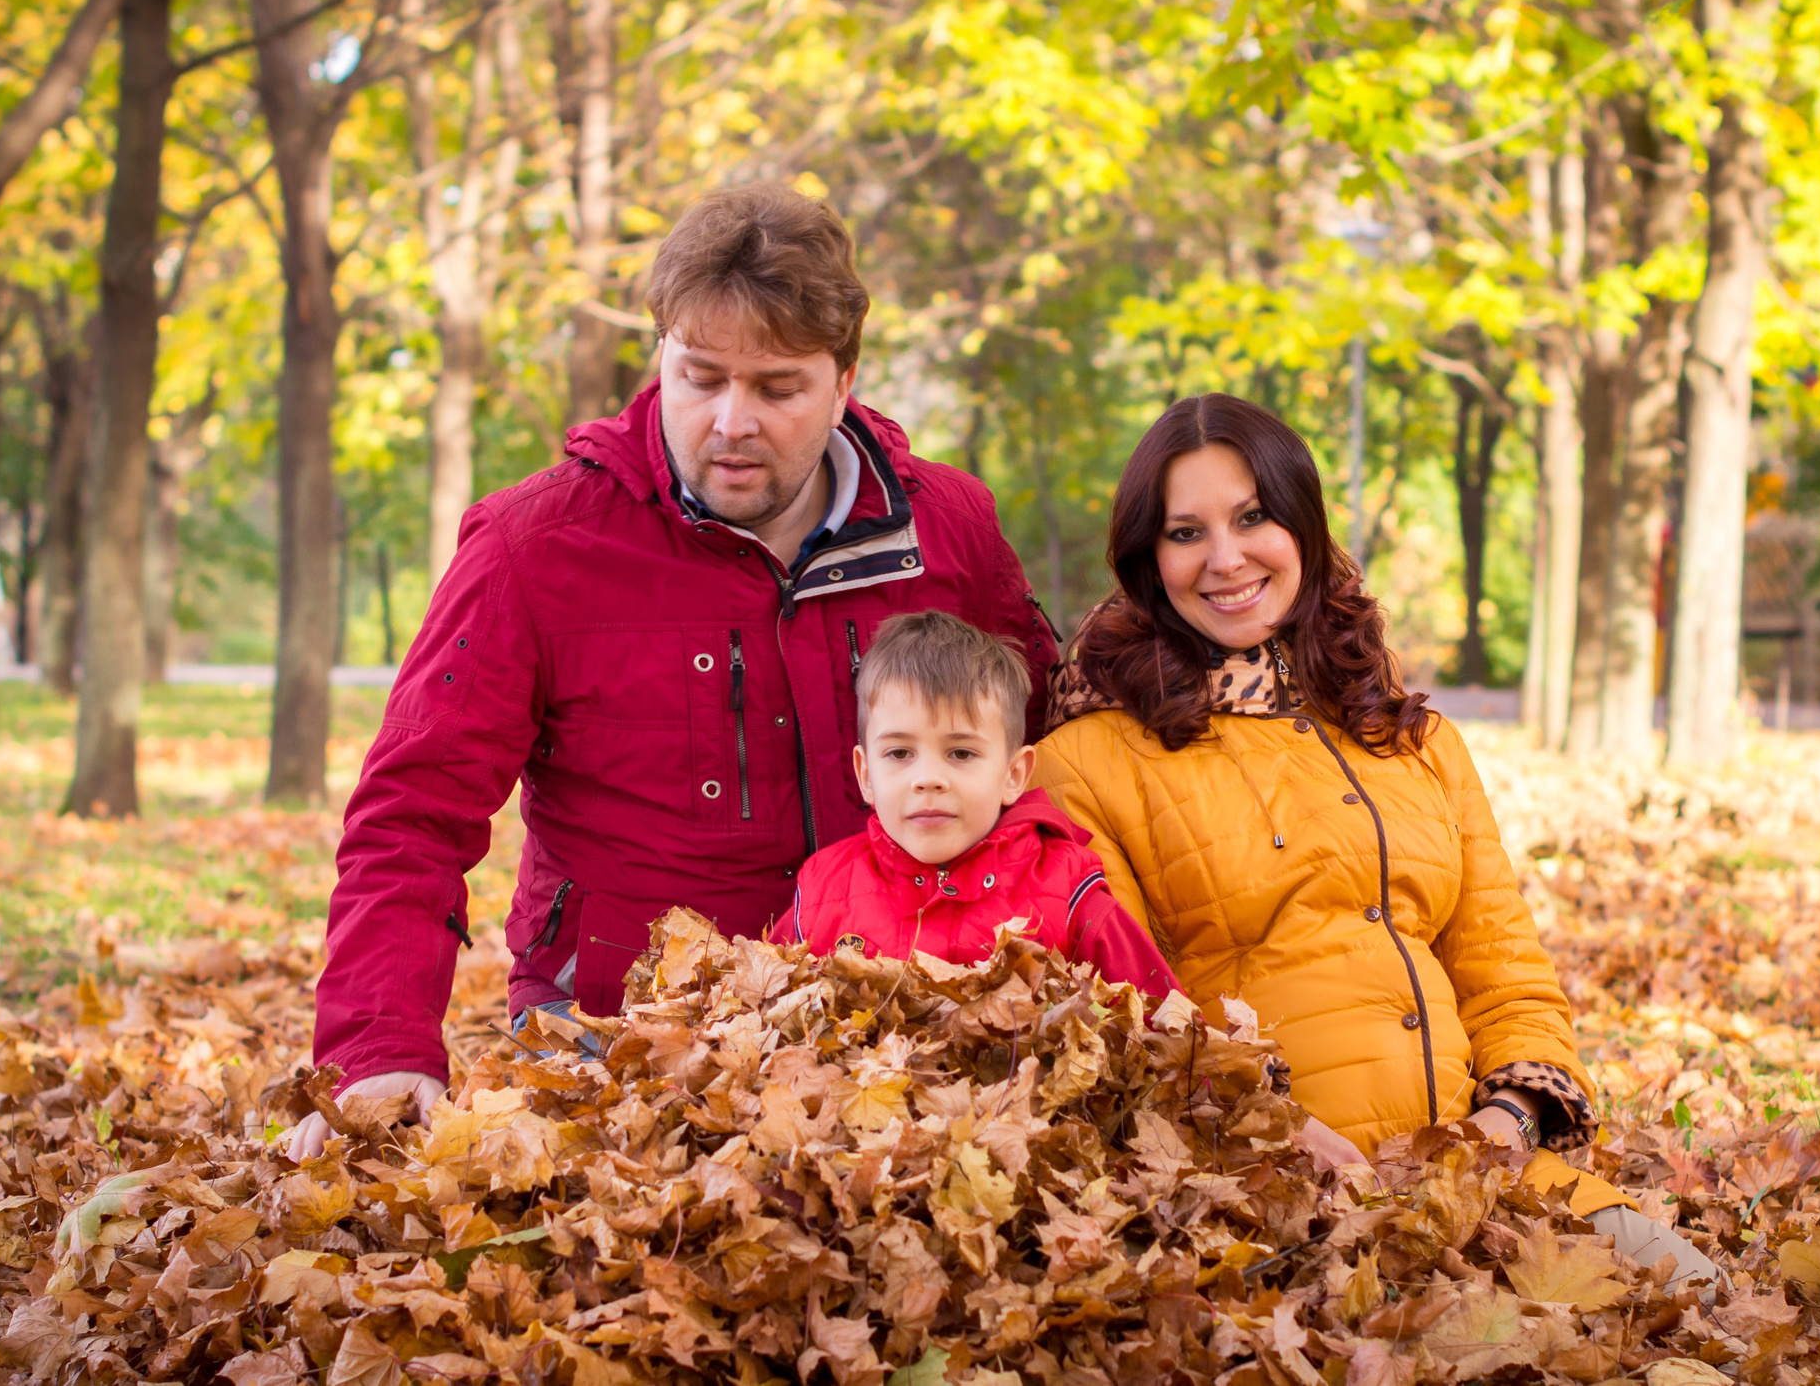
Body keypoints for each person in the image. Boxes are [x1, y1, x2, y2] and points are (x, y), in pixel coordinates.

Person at [286, 184, 1057, 1160]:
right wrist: (377, 1049)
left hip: (893, 1021)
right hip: (613, 1034)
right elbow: (411, 813)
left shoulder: (945, 531)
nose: (731, 421)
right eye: (700, 377)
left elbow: (1052, 756)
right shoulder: (534, 546)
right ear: (661, 359)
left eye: (777, 388)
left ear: (844, 380)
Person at [1031, 393, 1716, 1281]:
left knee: (1702, 1298)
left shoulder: (1413, 738)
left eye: (1253, 517)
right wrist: (1283, 1137)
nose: (1227, 557)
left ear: (1304, 530)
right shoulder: (1086, 761)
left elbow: (1506, 969)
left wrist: (1503, 1124)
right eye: (1186, 532)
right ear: (1147, 558)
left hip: (1483, 1173)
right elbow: (1127, 1022)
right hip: (1265, 1195)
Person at [768, 609, 1176, 996]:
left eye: (961, 753)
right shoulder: (823, 892)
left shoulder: (1066, 891)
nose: (928, 779)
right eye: (899, 754)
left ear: (1013, 775)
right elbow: (760, 1010)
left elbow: (1169, 1033)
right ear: (865, 775)